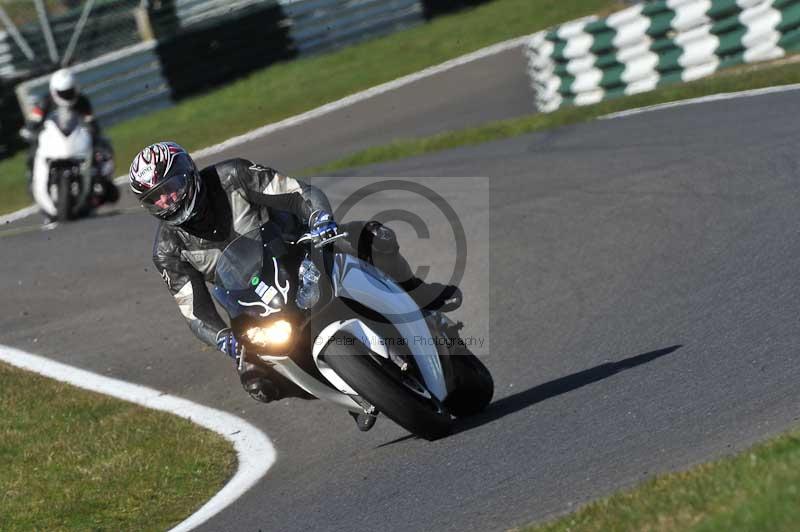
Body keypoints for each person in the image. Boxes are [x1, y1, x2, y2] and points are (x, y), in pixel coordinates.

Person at [129, 141, 461, 406]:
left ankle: (418, 294)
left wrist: (319, 219)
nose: (167, 200)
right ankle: (349, 394)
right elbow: (194, 311)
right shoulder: (168, 251)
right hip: (255, 309)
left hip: (305, 253)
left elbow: (298, 192)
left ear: (188, 173)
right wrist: (224, 338)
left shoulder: (234, 175)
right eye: (155, 198)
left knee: (373, 237)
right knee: (257, 382)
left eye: (170, 187)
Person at [22, 68, 118, 215]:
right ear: (54, 91)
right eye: (63, 92)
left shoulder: (82, 101)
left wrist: (93, 132)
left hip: (77, 139)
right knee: (32, 154)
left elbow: (91, 121)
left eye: (69, 91)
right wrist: (30, 130)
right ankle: (32, 181)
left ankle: (103, 182)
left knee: (103, 147)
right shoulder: (45, 101)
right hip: (53, 140)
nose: (67, 95)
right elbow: (34, 120)